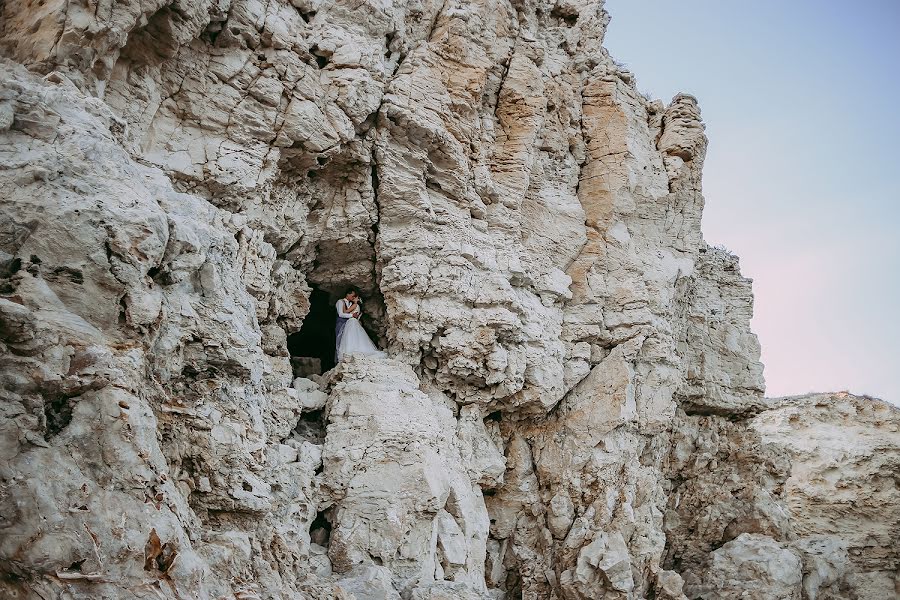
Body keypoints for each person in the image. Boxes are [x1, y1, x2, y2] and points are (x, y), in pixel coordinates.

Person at [335, 288, 385, 362]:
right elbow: (341, 314)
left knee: (350, 338)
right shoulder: (340, 302)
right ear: (348, 294)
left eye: (355, 296)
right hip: (342, 323)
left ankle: (350, 354)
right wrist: (352, 315)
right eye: (353, 295)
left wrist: (352, 315)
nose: (353, 297)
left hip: (350, 323)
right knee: (341, 340)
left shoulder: (354, 305)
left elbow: (346, 312)